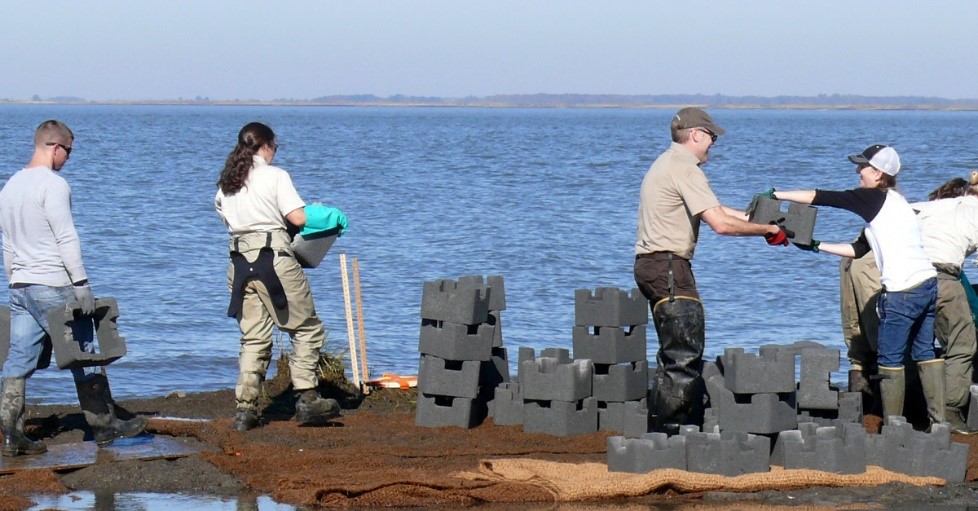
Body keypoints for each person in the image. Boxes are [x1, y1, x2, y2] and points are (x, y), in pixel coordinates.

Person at [634, 107, 787, 434]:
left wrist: (764, 223)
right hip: (669, 266)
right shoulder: (686, 169)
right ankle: (673, 437)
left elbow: (714, 210)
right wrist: (765, 232)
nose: (713, 144)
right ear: (695, 135)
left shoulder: (668, 163)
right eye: (711, 137)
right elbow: (719, 224)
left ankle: (658, 436)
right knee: (684, 354)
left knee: (670, 354)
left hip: (652, 265)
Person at [0, 120, 147, 456]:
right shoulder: (53, 185)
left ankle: (11, 434)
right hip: (53, 283)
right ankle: (105, 426)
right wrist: (81, 284)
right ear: (55, 147)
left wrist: (14, 279)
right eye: (68, 152)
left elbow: (7, 244)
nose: (68, 159)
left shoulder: (8, 188)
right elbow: (66, 237)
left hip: (20, 285)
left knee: (17, 361)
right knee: (85, 353)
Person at [774, 144, 944, 428]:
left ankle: (893, 426)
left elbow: (822, 197)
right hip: (927, 285)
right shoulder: (896, 203)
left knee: (889, 357)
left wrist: (776, 194)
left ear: (878, 174)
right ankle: (940, 424)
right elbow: (858, 250)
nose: (857, 171)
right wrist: (816, 246)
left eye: (862, 167)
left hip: (902, 292)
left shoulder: (872, 198)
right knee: (924, 352)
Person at [215, 122, 340, 432]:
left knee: (254, 336)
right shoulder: (276, 176)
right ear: (266, 146)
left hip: (239, 263)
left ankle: (246, 410)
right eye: (275, 148)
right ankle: (307, 399)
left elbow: (228, 217)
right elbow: (297, 218)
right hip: (274, 258)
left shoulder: (227, 182)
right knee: (307, 328)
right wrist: (326, 215)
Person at [909, 174, 978, 433]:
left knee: (916, 346)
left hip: (907, 278)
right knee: (961, 345)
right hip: (943, 278)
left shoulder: (933, 205)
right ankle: (949, 413)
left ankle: (903, 415)